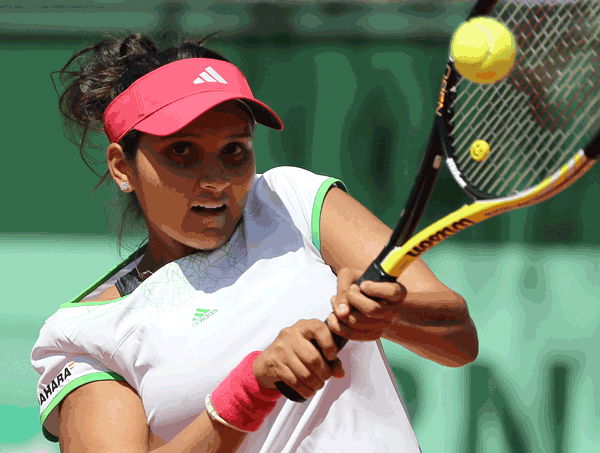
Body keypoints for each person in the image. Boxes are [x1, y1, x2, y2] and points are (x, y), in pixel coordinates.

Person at [31, 34, 479, 453]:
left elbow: (458, 341)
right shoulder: (87, 333)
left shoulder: (293, 199)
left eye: (234, 150)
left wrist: (387, 314)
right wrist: (250, 389)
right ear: (122, 167)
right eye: (181, 152)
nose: (215, 180)